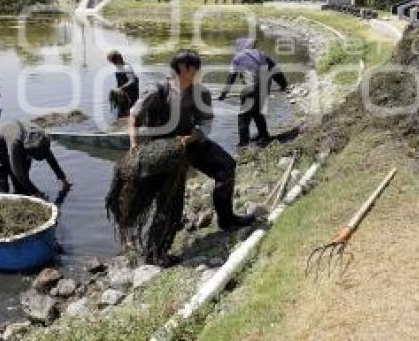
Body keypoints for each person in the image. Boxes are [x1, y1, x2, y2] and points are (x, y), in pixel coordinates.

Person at [128, 50, 254, 233]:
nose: (199, 70)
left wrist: (191, 138)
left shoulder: (200, 93)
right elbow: (133, 116)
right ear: (181, 68)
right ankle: (159, 252)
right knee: (170, 199)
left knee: (226, 166)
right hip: (162, 150)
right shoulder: (157, 91)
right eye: (195, 67)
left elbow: (205, 124)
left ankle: (226, 220)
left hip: (190, 142)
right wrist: (133, 143)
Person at [217, 38, 289, 147]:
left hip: (251, 89)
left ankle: (243, 144)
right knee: (257, 112)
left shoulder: (237, 58)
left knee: (243, 118)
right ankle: (263, 135)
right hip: (265, 89)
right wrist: (283, 85)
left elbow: (231, 78)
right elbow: (276, 71)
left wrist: (223, 94)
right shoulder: (262, 54)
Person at [0, 120, 72, 198]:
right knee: (2, 182)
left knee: (22, 189)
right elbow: (18, 173)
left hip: (21, 142)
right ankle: (4, 198)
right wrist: (36, 192)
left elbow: (51, 158)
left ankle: (21, 195)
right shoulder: (15, 144)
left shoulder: (43, 139)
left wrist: (63, 179)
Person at [107, 50, 140, 117]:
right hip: (122, 93)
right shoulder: (118, 66)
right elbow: (120, 81)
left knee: (131, 111)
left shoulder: (127, 67)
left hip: (131, 93)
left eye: (113, 61)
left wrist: (120, 88)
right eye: (112, 62)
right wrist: (117, 88)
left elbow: (132, 81)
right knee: (121, 112)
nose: (113, 63)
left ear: (118, 58)